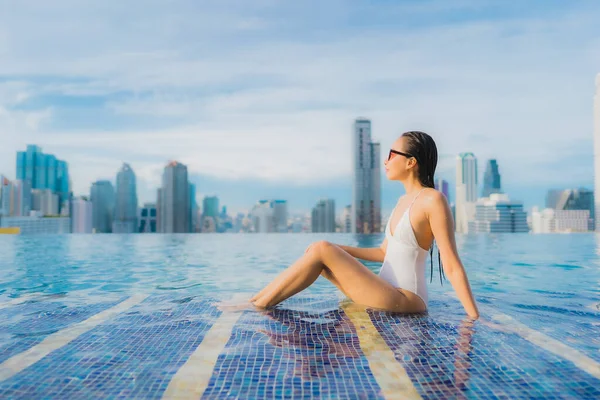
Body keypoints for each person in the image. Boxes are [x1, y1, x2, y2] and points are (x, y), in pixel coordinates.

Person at [250, 131, 479, 319]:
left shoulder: (433, 200)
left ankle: (257, 307)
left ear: (411, 162)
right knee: (321, 254)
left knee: (321, 249)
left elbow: (451, 266)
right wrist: (337, 248)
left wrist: (474, 318)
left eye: (391, 154)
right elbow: (383, 252)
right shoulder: (402, 201)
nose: (385, 161)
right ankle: (256, 300)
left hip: (406, 299)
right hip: (385, 290)